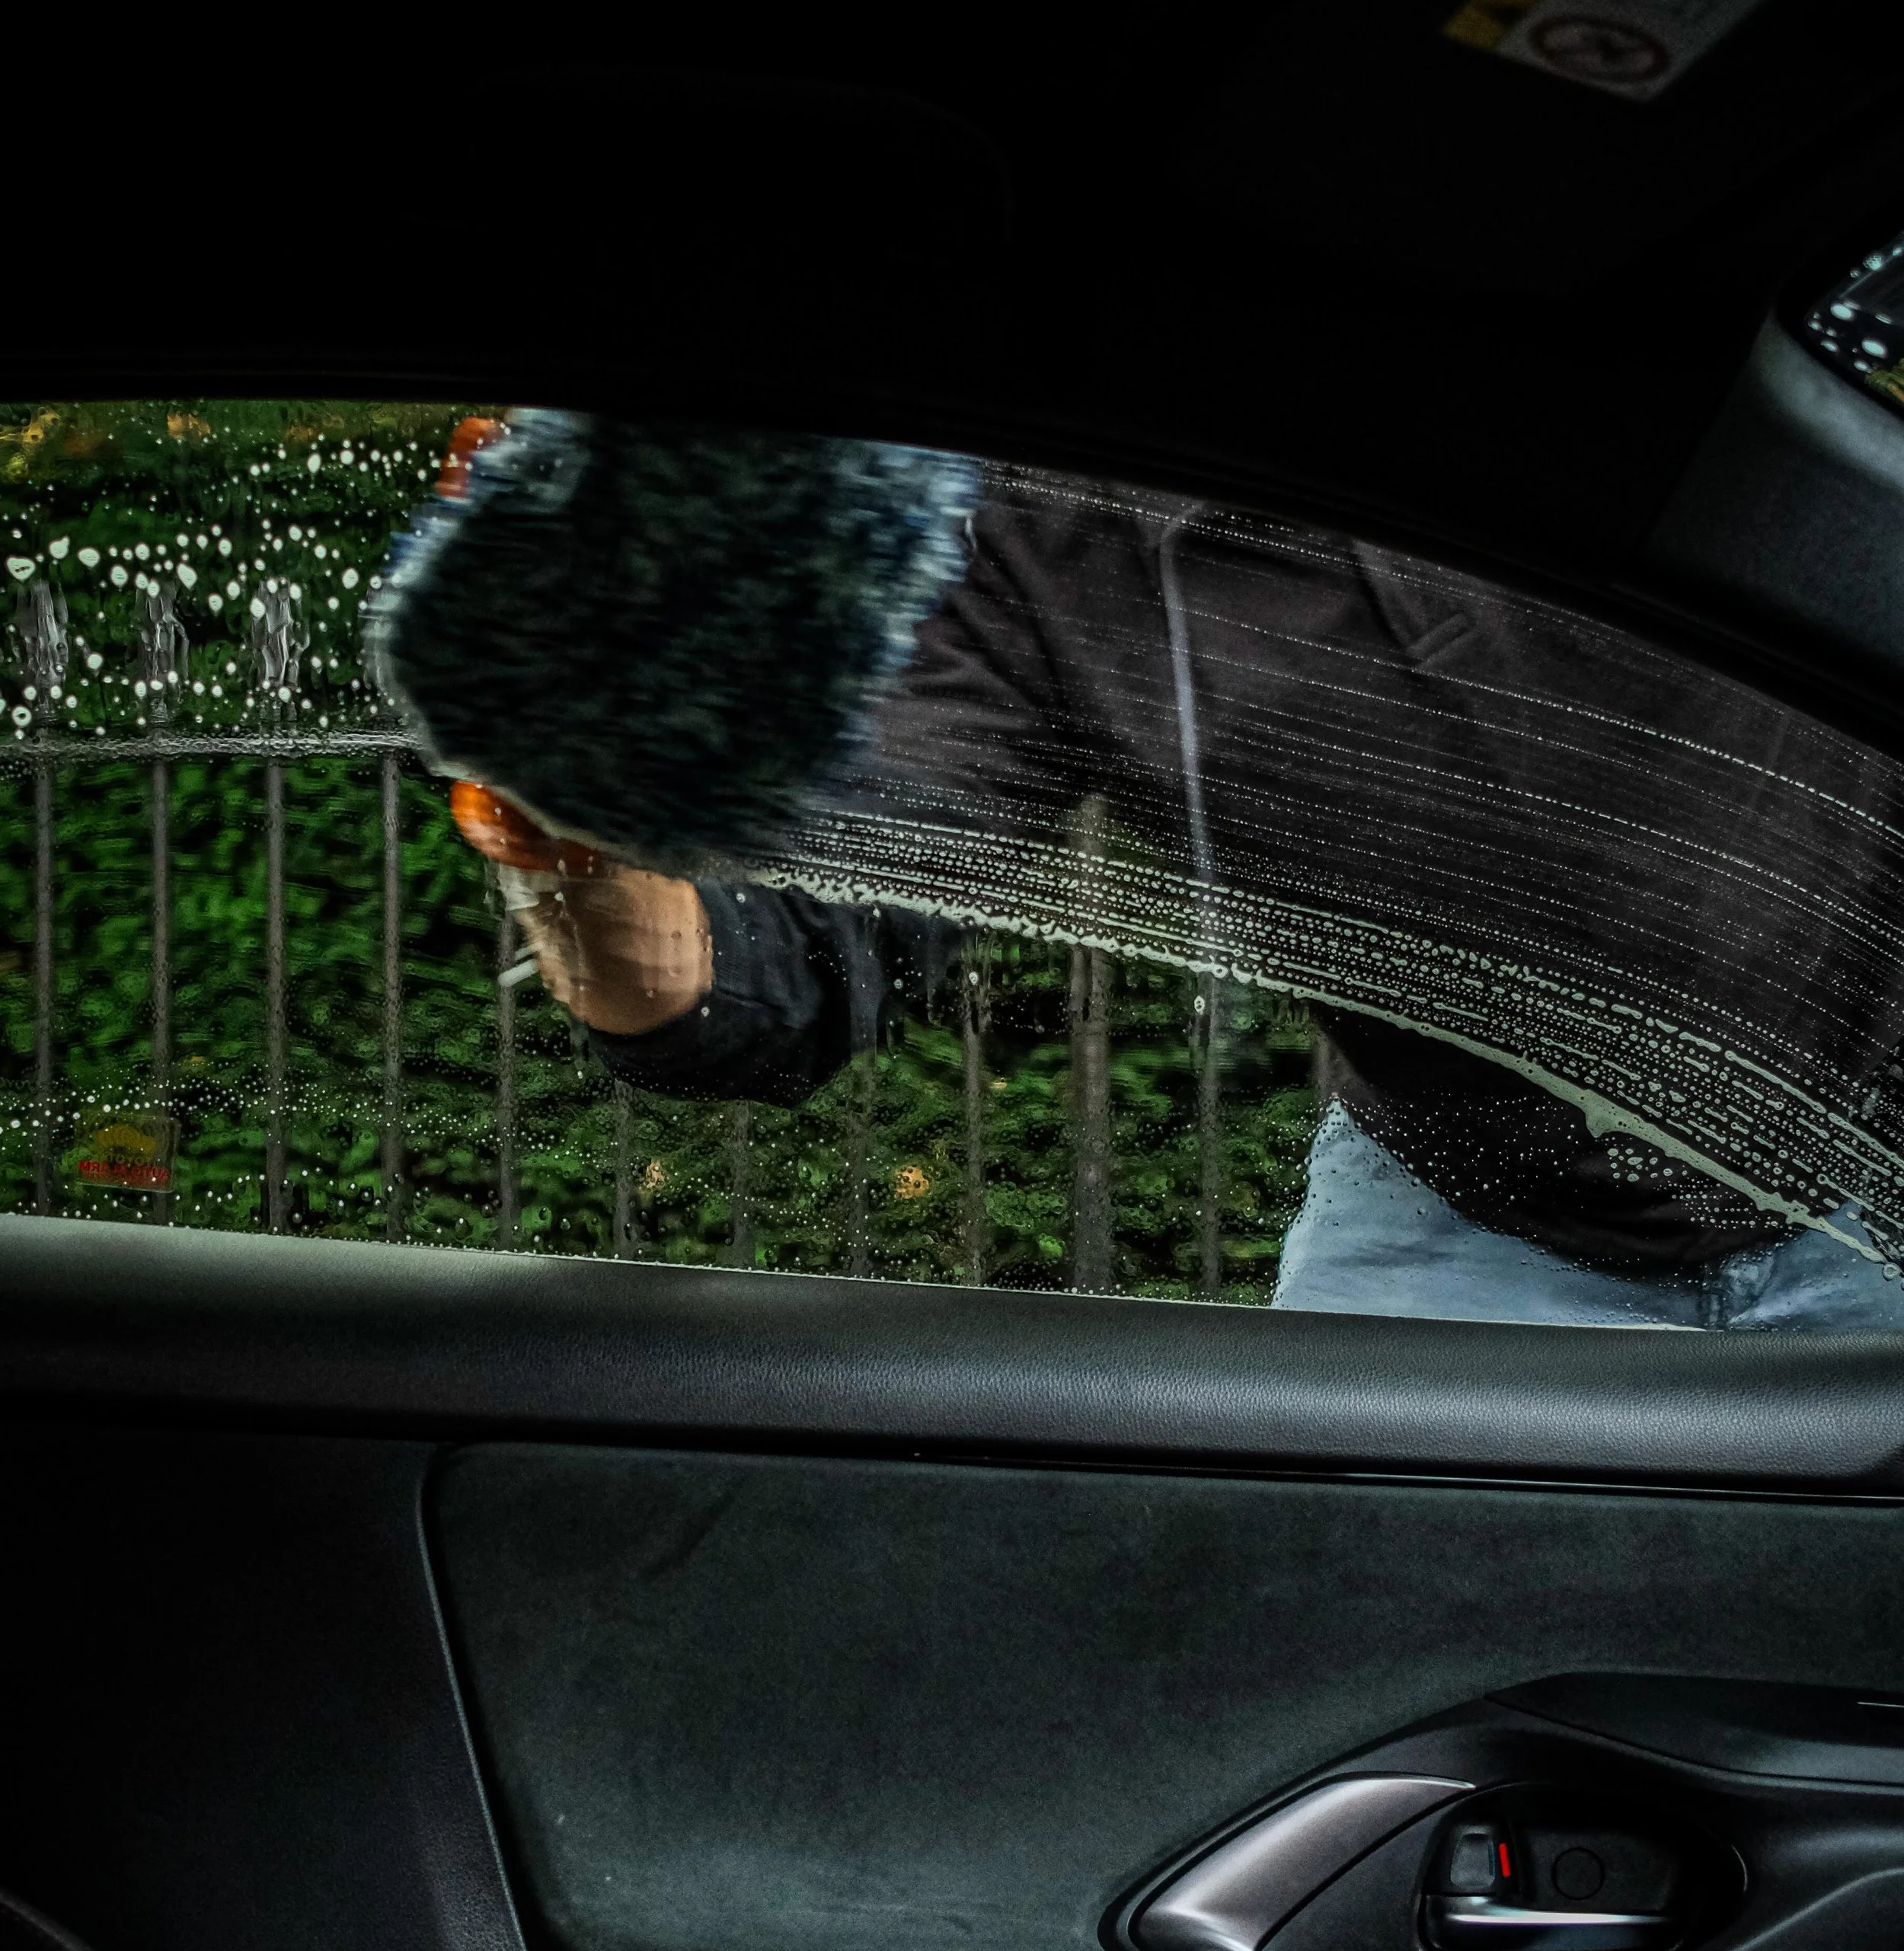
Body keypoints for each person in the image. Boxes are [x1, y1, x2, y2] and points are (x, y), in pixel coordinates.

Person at [464, 469, 1904, 1330]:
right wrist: (565, 826)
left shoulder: (1698, 365)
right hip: (1464, 1224)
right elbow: (776, 960)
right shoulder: (1046, 524)